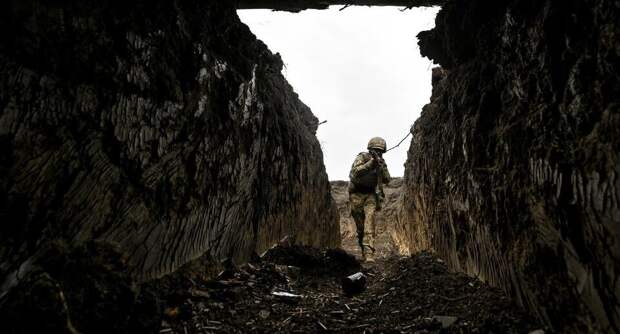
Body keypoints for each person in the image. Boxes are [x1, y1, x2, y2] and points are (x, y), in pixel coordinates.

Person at [348, 137, 390, 262]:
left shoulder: (381, 162)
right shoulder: (362, 157)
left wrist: (382, 167)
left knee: (369, 223)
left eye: (381, 151)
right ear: (370, 149)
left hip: (370, 196)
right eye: (376, 150)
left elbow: (387, 179)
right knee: (361, 228)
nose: (378, 153)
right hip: (356, 195)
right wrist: (371, 163)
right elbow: (354, 173)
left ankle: (369, 254)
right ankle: (364, 249)